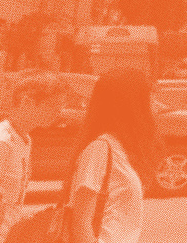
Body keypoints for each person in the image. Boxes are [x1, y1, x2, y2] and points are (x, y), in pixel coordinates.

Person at [69, 69, 154, 243]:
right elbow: (80, 222)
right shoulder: (100, 149)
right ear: (130, 105)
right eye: (145, 98)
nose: (151, 105)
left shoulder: (122, 148)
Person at [0, 70, 68, 243]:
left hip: (7, 233)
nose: (59, 112)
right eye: (53, 105)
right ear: (27, 101)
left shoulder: (25, 139)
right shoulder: (1, 141)